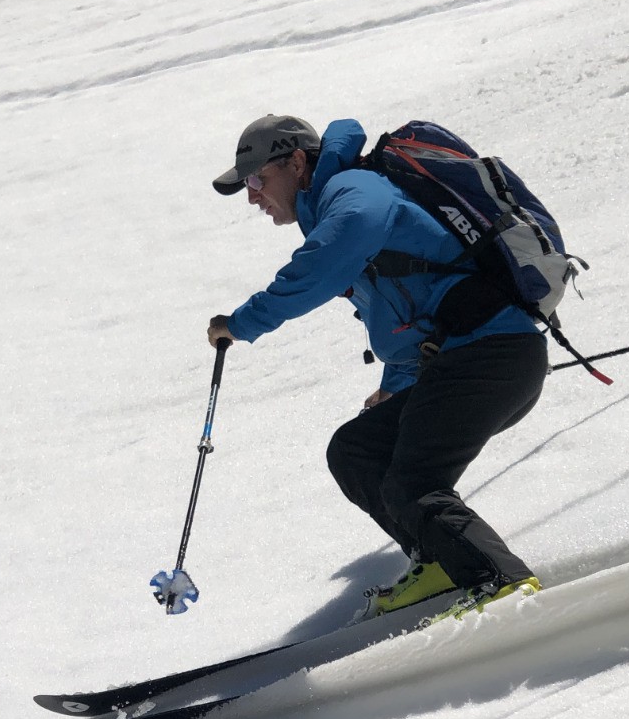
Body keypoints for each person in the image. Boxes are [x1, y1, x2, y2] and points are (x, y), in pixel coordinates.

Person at [208, 114, 545, 620]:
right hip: (465, 359)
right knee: (358, 450)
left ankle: (504, 585)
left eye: (257, 179)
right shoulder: (335, 207)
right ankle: (438, 563)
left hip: (495, 354)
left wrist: (241, 323)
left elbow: (322, 264)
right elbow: (412, 320)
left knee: (414, 482)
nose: (253, 196)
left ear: (297, 162)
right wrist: (397, 386)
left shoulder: (353, 191)